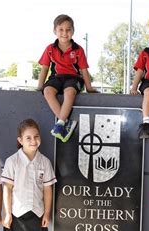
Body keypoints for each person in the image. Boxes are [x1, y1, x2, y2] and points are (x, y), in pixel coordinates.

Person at [1, 119, 56, 231]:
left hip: (37, 212)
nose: (33, 141)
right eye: (28, 138)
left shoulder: (45, 162)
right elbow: (7, 188)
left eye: (36, 137)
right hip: (17, 212)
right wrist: (7, 213)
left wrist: (47, 213)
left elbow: (48, 189)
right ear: (20, 140)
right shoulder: (12, 161)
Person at [37, 14, 96, 143]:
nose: (65, 33)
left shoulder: (78, 49)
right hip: (56, 78)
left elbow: (84, 70)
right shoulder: (50, 49)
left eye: (68, 29)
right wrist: (40, 86)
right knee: (47, 91)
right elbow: (45, 68)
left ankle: (60, 124)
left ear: (73, 31)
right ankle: (66, 123)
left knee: (69, 92)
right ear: (55, 31)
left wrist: (89, 88)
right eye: (61, 29)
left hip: (73, 78)